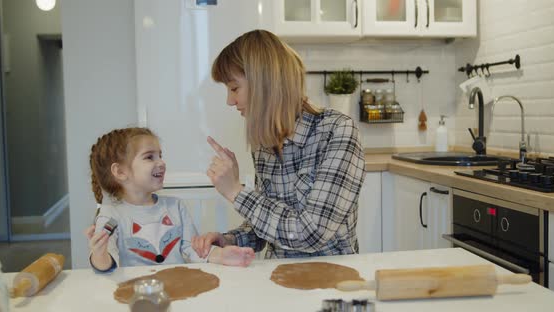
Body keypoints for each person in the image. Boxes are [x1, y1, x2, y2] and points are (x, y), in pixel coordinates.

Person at [192, 29, 365, 259]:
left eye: (234, 88)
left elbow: (310, 232)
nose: (229, 101)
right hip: (276, 277)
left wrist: (235, 191)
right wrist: (229, 240)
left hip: (331, 281)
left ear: (264, 83)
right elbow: (268, 226)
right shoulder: (264, 143)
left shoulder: (338, 131)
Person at [87, 127, 255, 273]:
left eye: (160, 155)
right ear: (120, 172)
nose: (161, 162)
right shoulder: (110, 215)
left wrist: (222, 255)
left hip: (176, 288)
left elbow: (191, 249)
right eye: (149, 157)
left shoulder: (175, 206)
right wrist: (100, 255)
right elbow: (107, 264)